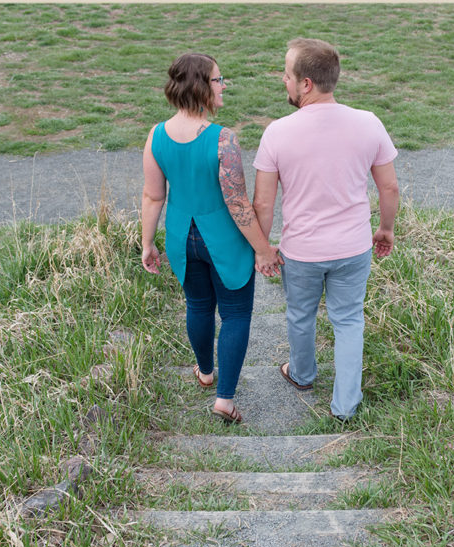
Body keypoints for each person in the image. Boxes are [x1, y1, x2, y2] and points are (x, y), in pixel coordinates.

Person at [252, 38, 400, 421]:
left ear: (305, 84)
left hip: (301, 252)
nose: (283, 81)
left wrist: (263, 249)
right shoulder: (368, 122)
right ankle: (346, 406)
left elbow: (264, 203)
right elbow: (389, 187)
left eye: (287, 75)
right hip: (353, 247)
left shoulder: (278, 133)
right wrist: (385, 228)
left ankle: (301, 375)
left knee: (300, 315)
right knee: (349, 320)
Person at [141, 52, 282, 425]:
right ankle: (225, 399)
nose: (223, 86)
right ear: (203, 87)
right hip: (222, 239)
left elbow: (153, 196)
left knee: (198, 306)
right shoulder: (223, 139)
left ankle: (205, 372)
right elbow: (237, 203)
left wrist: (147, 243)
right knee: (235, 313)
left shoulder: (155, 135)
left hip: (180, 239)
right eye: (219, 80)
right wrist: (263, 250)